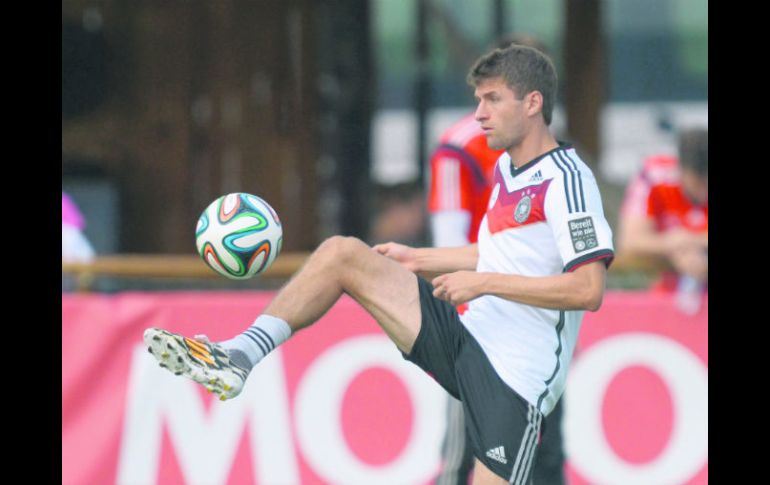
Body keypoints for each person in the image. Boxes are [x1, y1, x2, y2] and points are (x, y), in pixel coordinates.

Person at [144, 45, 615, 485]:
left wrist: (484, 284)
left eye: (492, 100)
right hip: (466, 339)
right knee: (343, 254)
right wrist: (419, 258)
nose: (479, 114)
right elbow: (504, 251)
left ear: (532, 103)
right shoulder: (509, 168)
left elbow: (587, 289)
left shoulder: (567, 181)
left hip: (513, 381)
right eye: (478, 100)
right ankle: (239, 358)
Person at [428, 35, 566, 485]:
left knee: (544, 457)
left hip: (538, 325)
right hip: (480, 326)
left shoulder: (541, 147)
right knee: (462, 458)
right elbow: (450, 237)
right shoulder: (459, 147)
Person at [617, 127, 707, 313]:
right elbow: (630, 242)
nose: (704, 191)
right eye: (698, 182)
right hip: (669, 300)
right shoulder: (653, 175)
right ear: (681, 168)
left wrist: (687, 243)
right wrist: (673, 245)